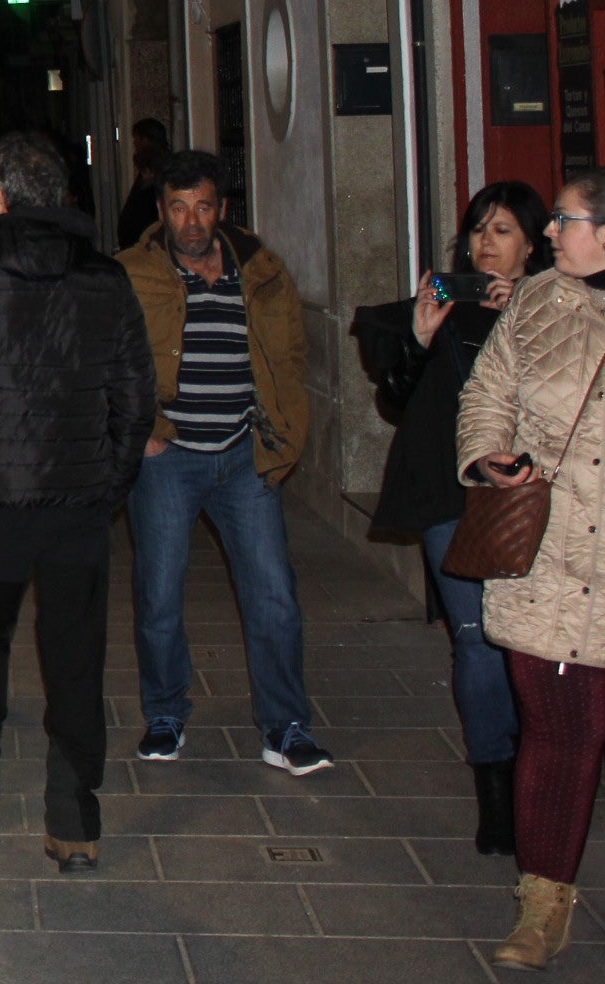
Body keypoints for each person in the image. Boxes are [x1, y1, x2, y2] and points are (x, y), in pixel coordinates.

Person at [0, 133, 153, 873]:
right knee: (76, 664)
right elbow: (137, 401)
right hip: (75, 505)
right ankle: (73, 820)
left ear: (1, 197)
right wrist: (106, 488)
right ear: (62, 198)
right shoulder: (107, 280)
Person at [116, 151, 330, 776]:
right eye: (178, 208)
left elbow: (290, 354)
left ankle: (285, 726)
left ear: (222, 210)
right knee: (158, 594)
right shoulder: (130, 273)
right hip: (167, 458)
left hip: (243, 455)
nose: (191, 222)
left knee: (274, 597)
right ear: (160, 211)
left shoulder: (261, 271)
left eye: (202, 207)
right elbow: (106, 361)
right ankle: (165, 714)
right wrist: (142, 433)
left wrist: (284, 435)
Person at [358, 181, 545, 857]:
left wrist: (522, 315)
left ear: (532, 242)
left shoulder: (555, 307)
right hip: (449, 491)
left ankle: (539, 775)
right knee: (475, 637)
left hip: (532, 496)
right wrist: (419, 335)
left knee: (530, 641)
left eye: (500, 231)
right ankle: (494, 795)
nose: (485, 244)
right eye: (477, 231)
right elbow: (397, 401)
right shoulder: (442, 308)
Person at [457, 168, 605, 968]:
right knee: (558, 731)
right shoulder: (537, 304)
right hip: (547, 555)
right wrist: (486, 458)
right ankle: (542, 906)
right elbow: (486, 393)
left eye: (567, 221)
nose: (549, 233)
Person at [116, 119, 170, 251]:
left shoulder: (164, 171)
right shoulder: (146, 170)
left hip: (149, 245)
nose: (135, 143)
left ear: (147, 139)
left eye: (138, 138)